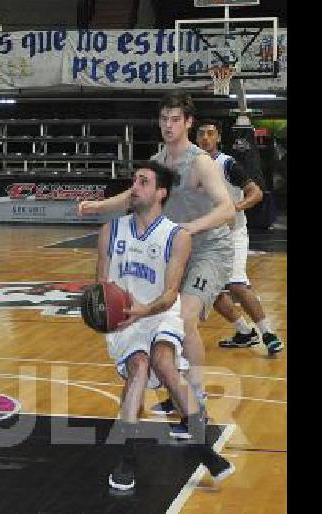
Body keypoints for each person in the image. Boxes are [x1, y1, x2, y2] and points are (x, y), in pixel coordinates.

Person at [79, 91, 235, 434]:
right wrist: (98, 207)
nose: (168, 125)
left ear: (189, 122)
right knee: (160, 315)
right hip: (176, 249)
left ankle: (198, 405)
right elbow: (135, 194)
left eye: (175, 119)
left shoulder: (200, 162)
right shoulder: (158, 159)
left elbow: (226, 208)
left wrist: (190, 228)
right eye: (164, 119)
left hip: (209, 250)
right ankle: (178, 391)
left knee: (185, 316)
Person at [96, 161, 233, 490]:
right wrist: (101, 307)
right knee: (139, 367)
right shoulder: (110, 231)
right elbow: (100, 283)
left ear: (161, 193)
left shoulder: (177, 236)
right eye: (133, 182)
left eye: (143, 182)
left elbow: (172, 293)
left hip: (159, 312)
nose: (134, 187)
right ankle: (127, 456)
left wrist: (145, 310)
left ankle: (200, 444)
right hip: (125, 321)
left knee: (164, 362)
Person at [194, 120, 284, 354]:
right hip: (206, 236)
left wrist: (234, 208)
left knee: (236, 283)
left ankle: (268, 332)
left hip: (232, 233)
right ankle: (244, 332)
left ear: (218, 139)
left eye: (210, 133)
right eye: (201, 133)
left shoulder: (227, 164)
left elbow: (255, 193)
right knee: (210, 290)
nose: (205, 137)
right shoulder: (190, 165)